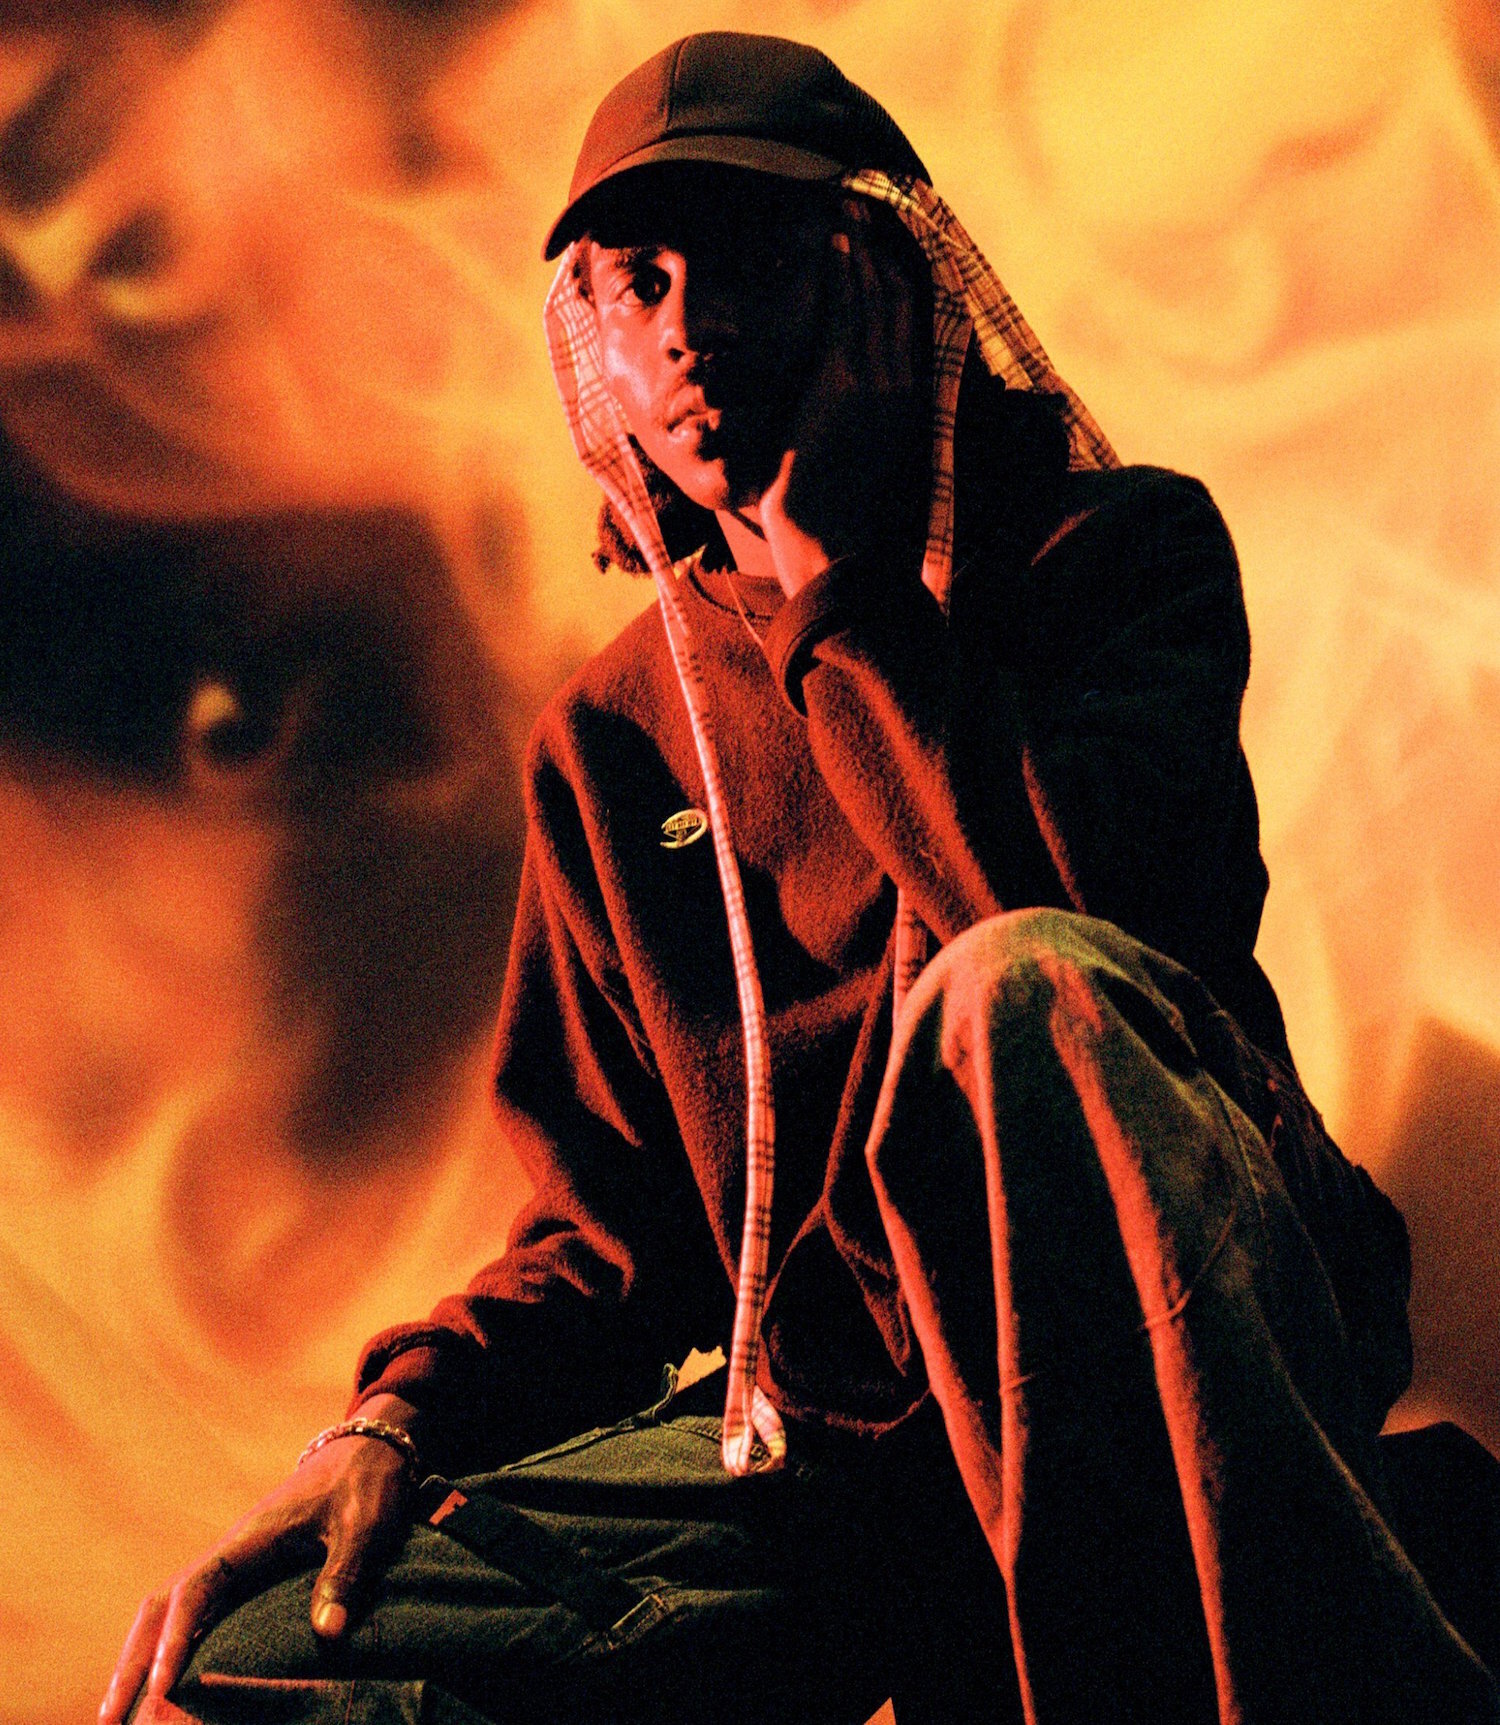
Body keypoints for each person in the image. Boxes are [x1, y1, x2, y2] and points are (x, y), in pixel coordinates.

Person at [102, 32, 1500, 1725]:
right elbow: (613, 1239)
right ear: (595, 337)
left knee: (1017, 988)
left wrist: (839, 587)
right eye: (638, 280)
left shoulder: (1115, 554)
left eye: (747, 258)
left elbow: (1078, 974)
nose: (688, 326)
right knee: (258, 1654)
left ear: (882, 285)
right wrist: (392, 1417)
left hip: (1180, 1344)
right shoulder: (614, 739)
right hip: (845, 1448)